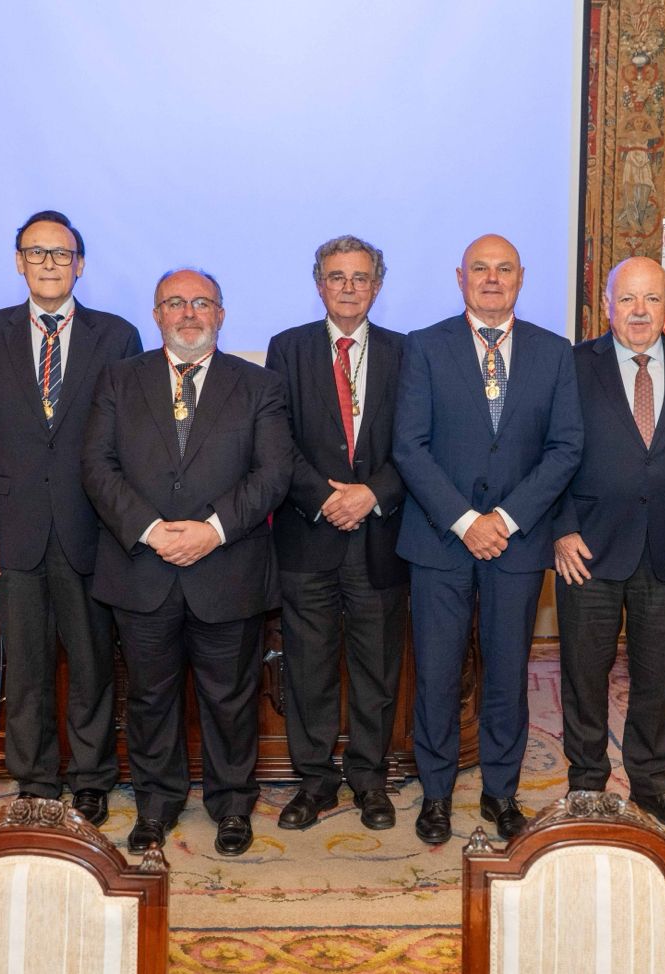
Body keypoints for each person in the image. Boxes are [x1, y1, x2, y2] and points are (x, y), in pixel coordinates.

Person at [84, 267, 293, 856]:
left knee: (230, 697)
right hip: (142, 570)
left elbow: (273, 473)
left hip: (227, 569)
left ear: (221, 314)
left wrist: (212, 530)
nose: (189, 313)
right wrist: (152, 531)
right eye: (174, 303)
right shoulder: (118, 380)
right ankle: (156, 804)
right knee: (150, 697)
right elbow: (98, 468)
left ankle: (231, 806)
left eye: (202, 302)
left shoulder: (259, 385)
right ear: (157, 316)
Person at [393, 234, 584, 844]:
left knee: (507, 675)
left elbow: (566, 447)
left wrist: (503, 520)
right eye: (481, 268)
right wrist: (464, 521)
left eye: (504, 269)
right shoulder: (424, 348)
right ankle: (437, 795)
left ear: (522, 278)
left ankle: (502, 794)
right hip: (439, 541)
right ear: (460, 277)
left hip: (517, 544)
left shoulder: (556, 354)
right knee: (438, 675)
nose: (492, 278)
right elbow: (409, 447)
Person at [0, 210, 142, 823]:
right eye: (35, 253)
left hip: (91, 528)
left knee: (92, 662)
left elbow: (129, 440)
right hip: (13, 533)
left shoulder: (116, 336)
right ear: (17, 262)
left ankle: (91, 777)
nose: (48, 264)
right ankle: (35, 778)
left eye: (60, 255)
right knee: (27, 667)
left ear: (80, 265)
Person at [553, 256, 665, 833]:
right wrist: (561, 527)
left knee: (657, 673)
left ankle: (652, 783)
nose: (639, 311)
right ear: (607, 305)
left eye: (651, 299)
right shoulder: (573, 365)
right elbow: (550, 453)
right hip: (589, 548)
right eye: (627, 299)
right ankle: (587, 783)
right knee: (584, 672)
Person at [265, 235, 408, 832]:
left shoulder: (407, 353)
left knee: (376, 670)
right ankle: (316, 782)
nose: (348, 287)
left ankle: (371, 780)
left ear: (377, 285)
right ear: (318, 283)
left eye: (360, 277)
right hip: (308, 536)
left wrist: (371, 493)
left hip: (379, 539)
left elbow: (418, 444)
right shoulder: (287, 349)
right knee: (309, 669)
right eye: (336, 276)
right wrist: (327, 499)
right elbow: (276, 443)